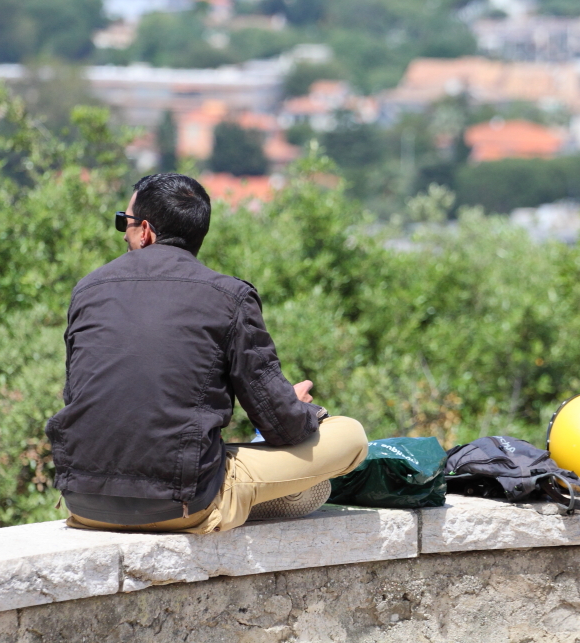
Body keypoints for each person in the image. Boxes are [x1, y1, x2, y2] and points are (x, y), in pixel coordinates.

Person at [46, 173, 368, 533]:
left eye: (126, 221)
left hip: (84, 500)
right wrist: (300, 410)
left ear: (146, 231)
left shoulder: (88, 289)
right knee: (351, 435)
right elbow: (282, 427)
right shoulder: (229, 297)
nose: (123, 232)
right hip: (182, 506)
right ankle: (249, 498)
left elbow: (80, 398)